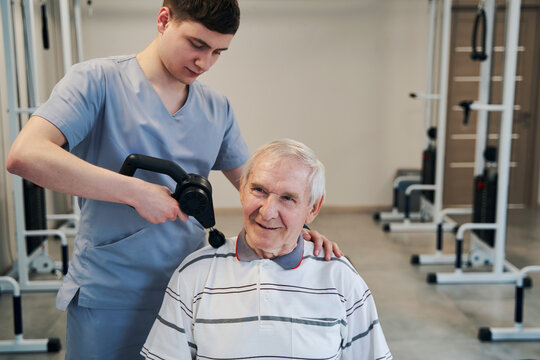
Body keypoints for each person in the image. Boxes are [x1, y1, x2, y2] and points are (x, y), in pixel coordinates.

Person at [6, 1, 341, 359]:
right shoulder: (96, 82)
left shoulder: (217, 108)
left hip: (191, 291)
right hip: (111, 294)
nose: (205, 62)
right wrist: (135, 192)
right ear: (164, 20)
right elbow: (25, 155)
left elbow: (256, 185)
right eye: (197, 45)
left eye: (218, 52)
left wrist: (296, 226)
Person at [142, 139, 392, 360]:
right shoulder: (193, 274)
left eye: (288, 198)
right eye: (259, 190)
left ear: (313, 209)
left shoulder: (341, 279)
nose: (268, 212)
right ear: (242, 191)